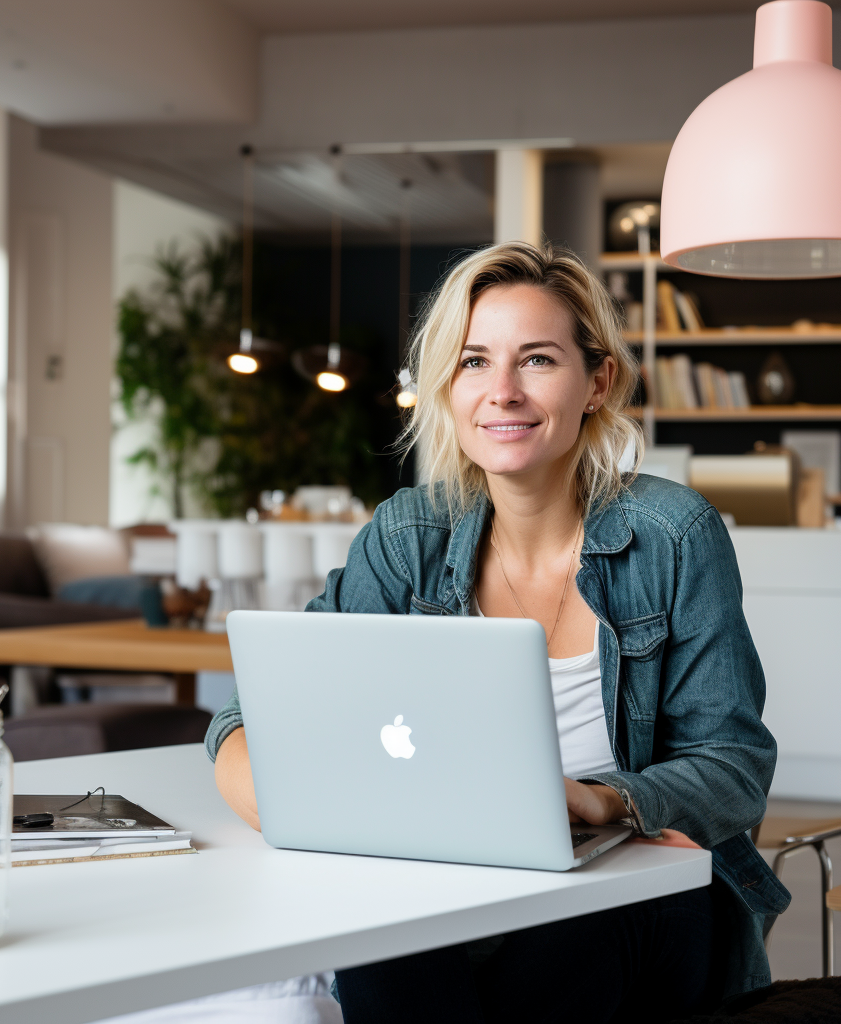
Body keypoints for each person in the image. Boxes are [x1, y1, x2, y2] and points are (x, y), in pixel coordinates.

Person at [206, 242, 790, 1024]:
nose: (502, 392)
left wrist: (601, 802)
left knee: (570, 940)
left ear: (597, 382)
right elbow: (248, 721)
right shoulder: (407, 535)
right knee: (385, 933)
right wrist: (296, 803)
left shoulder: (673, 535)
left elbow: (735, 767)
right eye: (475, 361)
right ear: (449, 386)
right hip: (447, 876)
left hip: (632, 884)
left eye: (538, 360)